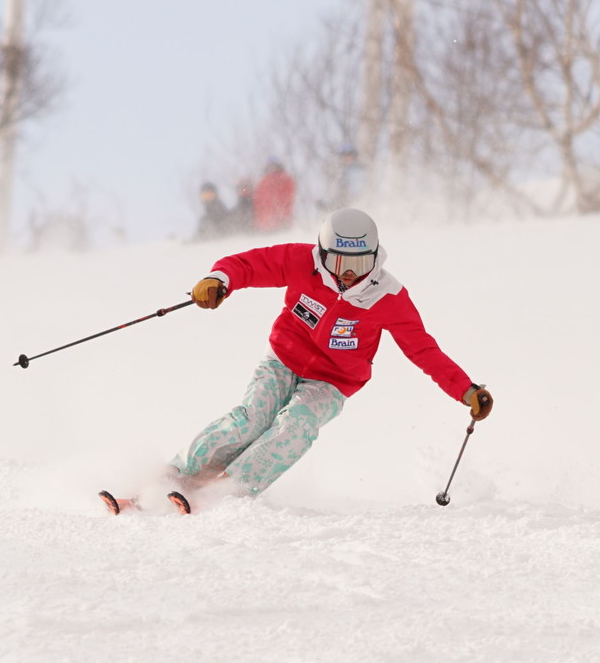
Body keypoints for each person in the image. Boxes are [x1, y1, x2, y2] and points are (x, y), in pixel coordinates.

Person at [99, 208, 493, 515]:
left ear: (375, 256)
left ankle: (227, 490)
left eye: (359, 264)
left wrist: (465, 390)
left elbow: (423, 350)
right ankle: (176, 474)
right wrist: (219, 280)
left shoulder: (386, 297)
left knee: (296, 426)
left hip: (332, 381)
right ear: (324, 253)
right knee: (253, 416)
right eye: (339, 262)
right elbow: (249, 265)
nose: (348, 275)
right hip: (283, 359)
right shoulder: (302, 262)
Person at [253, 157, 296, 232]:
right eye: (270, 166)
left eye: (274, 166)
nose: (272, 168)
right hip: (267, 220)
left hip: (282, 217)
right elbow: (258, 201)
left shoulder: (284, 179)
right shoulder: (263, 181)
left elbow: (289, 195)